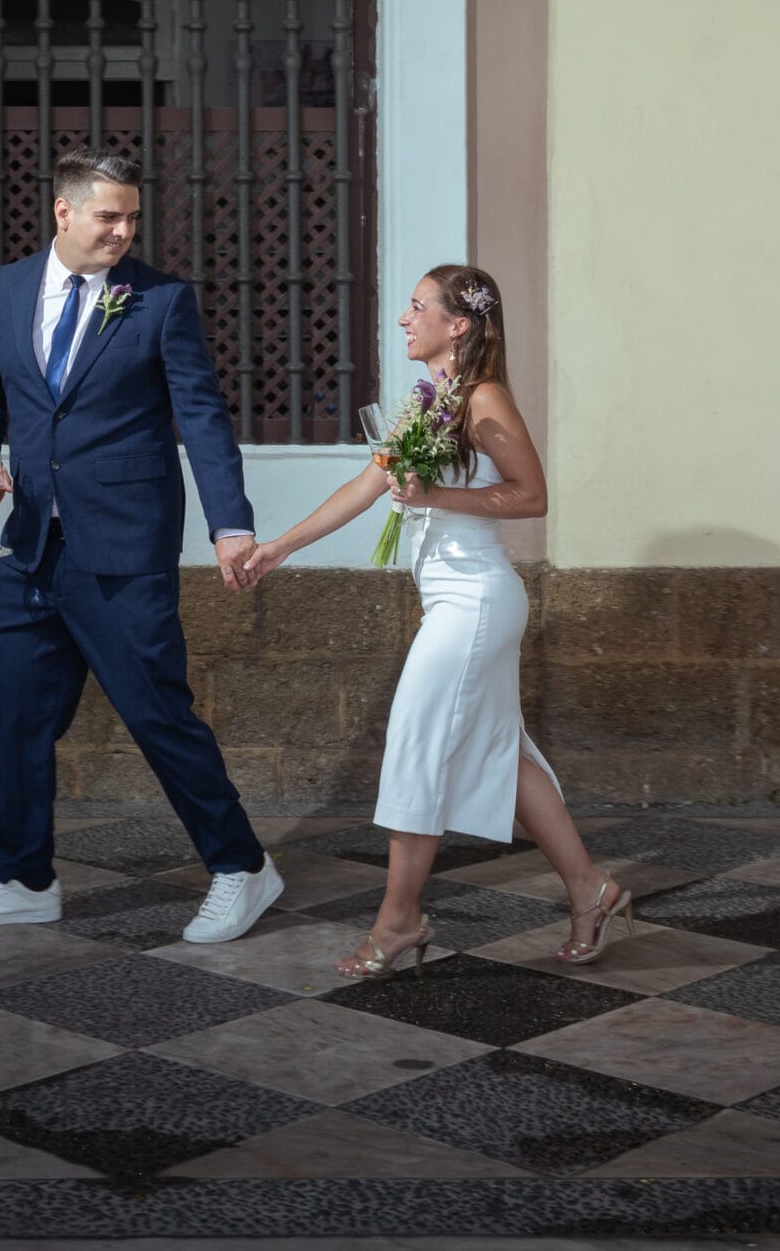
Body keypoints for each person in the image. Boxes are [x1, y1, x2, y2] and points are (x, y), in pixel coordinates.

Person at [0, 148, 285, 944]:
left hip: (124, 549)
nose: (124, 231)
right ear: (63, 213)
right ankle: (25, 877)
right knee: (16, 717)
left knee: (157, 713)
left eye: (132, 217)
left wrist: (231, 525)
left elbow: (201, 416)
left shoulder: (160, 301)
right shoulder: (4, 289)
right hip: (29, 546)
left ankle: (242, 867)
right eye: (108, 216)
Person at [244, 264, 628, 977]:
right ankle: (591, 889)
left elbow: (532, 495)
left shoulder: (483, 401)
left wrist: (433, 499)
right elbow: (370, 482)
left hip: (474, 601)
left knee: (417, 746)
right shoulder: (433, 399)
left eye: (418, 307)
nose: (403, 320)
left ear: (458, 324)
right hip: (455, 600)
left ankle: (398, 923)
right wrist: (279, 548)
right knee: (503, 760)